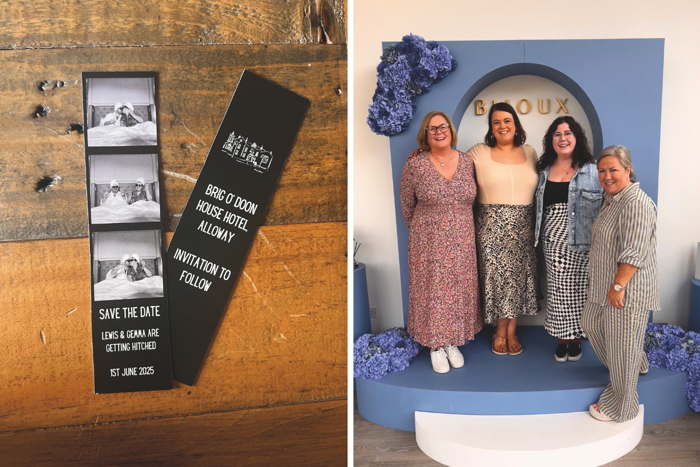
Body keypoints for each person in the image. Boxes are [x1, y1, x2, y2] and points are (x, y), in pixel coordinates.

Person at [582, 145, 659, 422]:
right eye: (602, 171)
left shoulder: (635, 202)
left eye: (613, 169)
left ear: (627, 169)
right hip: (604, 285)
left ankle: (621, 404)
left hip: (625, 289)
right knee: (590, 323)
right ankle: (632, 363)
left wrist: (618, 288)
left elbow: (634, 252)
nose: (607, 175)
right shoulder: (613, 198)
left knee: (622, 344)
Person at [400, 111, 481, 373]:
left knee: (457, 291)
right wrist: (424, 233)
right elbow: (406, 205)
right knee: (433, 292)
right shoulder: (415, 164)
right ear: (425, 135)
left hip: (462, 240)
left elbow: (476, 200)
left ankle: (452, 341)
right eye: (432, 129)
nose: (438, 131)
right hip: (428, 241)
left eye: (443, 126)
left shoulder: (468, 161)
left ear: (451, 130)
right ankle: (435, 344)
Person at [467, 102, 540, 356]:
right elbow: (451, 166)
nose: (502, 126)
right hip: (490, 227)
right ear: (490, 127)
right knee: (498, 279)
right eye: (496, 122)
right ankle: (500, 332)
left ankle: (511, 332)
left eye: (507, 120)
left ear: (516, 124)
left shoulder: (530, 152)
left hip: (524, 227)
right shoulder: (478, 152)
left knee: (519, 279)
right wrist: (423, 153)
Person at [534, 117, 603, 362]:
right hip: (552, 240)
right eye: (557, 134)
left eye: (568, 133)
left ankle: (578, 338)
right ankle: (564, 339)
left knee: (580, 290)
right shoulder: (542, 170)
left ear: (577, 138)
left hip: (584, 239)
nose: (563, 138)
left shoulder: (593, 169)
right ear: (550, 140)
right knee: (560, 291)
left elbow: (611, 198)